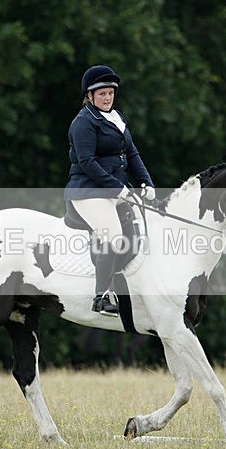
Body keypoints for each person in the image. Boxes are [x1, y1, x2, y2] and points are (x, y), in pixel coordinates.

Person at [64, 65, 156, 317]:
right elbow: (86, 162)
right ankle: (102, 296)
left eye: (110, 93)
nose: (107, 98)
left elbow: (132, 153)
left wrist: (145, 182)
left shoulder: (116, 118)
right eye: (102, 94)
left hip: (114, 191)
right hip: (87, 192)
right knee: (114, 235)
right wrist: (119, 188)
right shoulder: (83, 123)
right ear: (90, 97)